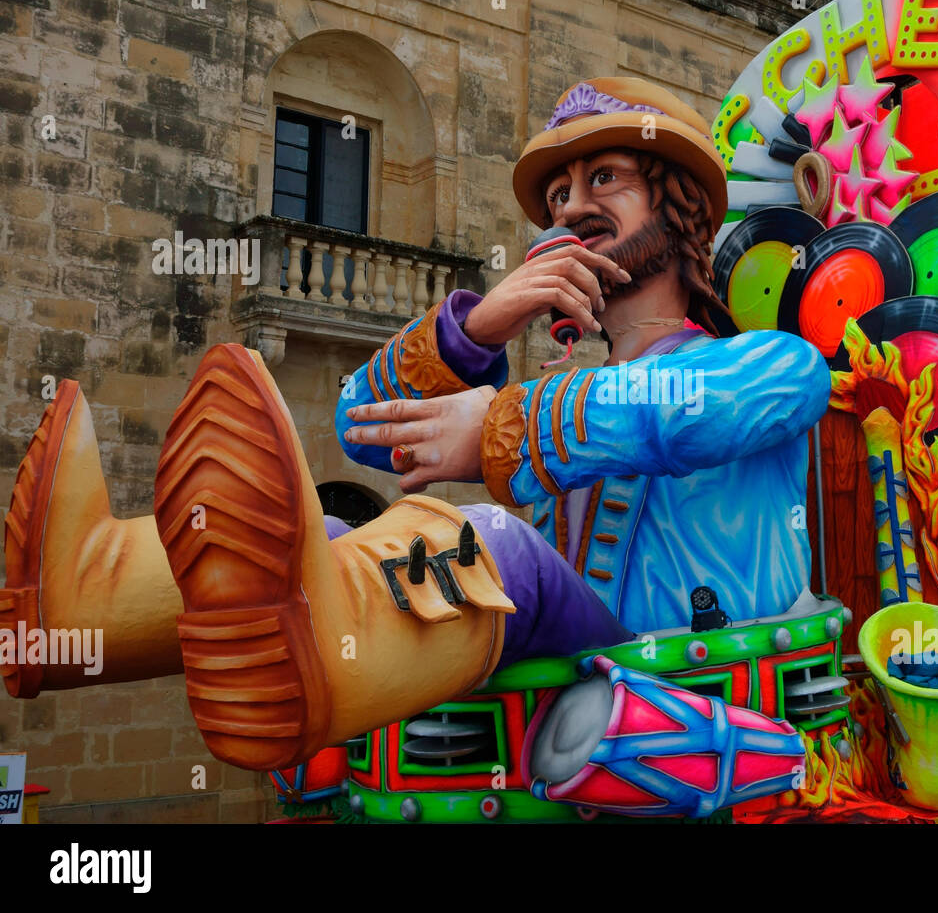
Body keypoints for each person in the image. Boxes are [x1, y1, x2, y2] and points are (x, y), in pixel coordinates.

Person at [2, 79, 829, 785]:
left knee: (496, 545)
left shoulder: (776, 366)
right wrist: (481, 326)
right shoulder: (563, 386)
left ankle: (318, 672)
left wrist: (504, 428)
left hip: (689, 680)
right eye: (557, 196)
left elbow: (680, 409)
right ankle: (90, 605)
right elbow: (361, 423)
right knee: (321, 537)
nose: (571, 207)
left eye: (603, 177)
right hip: (561, 679)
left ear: (677, 204)